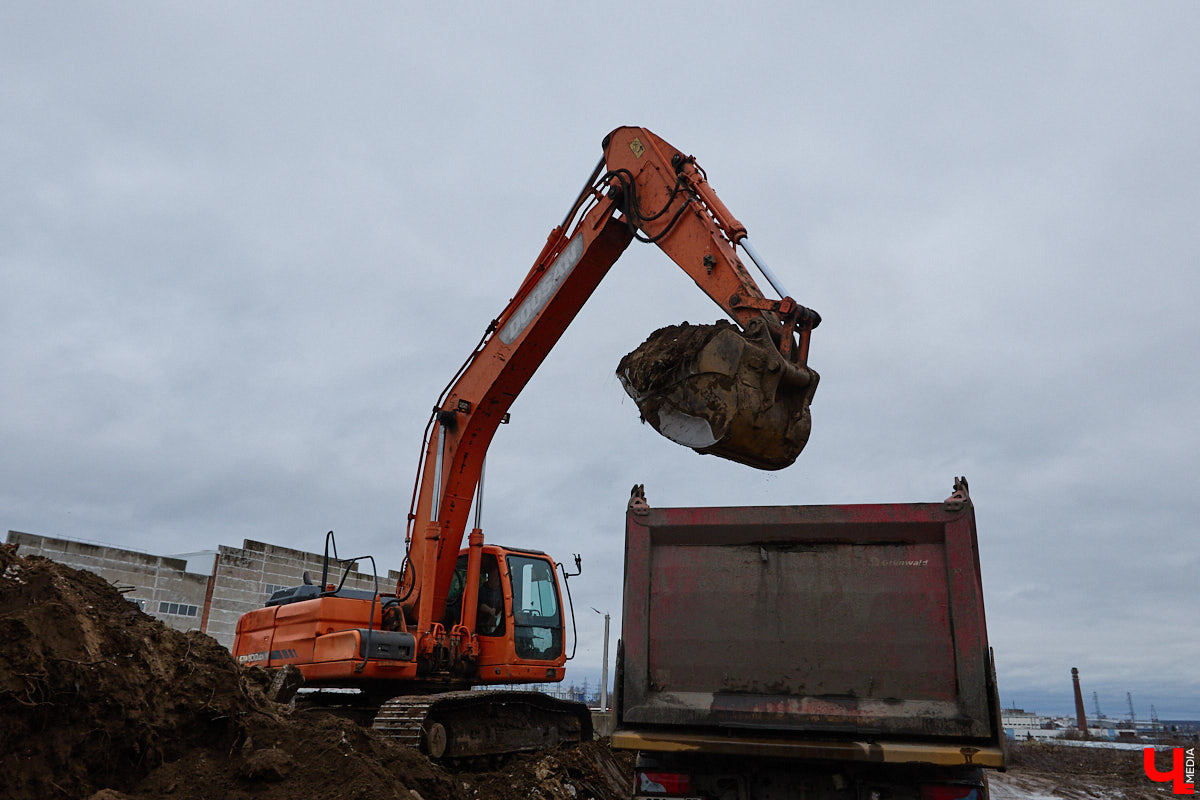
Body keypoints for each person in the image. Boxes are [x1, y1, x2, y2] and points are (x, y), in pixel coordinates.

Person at [477, 566, 504, 635]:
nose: (497, 579)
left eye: (498, 577)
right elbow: (478, 604)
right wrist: (490, 610)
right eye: (495, 577)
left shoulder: (502, 592)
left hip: (499, 627)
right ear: (489, 577)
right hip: (482, 627)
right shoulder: (482, 591)